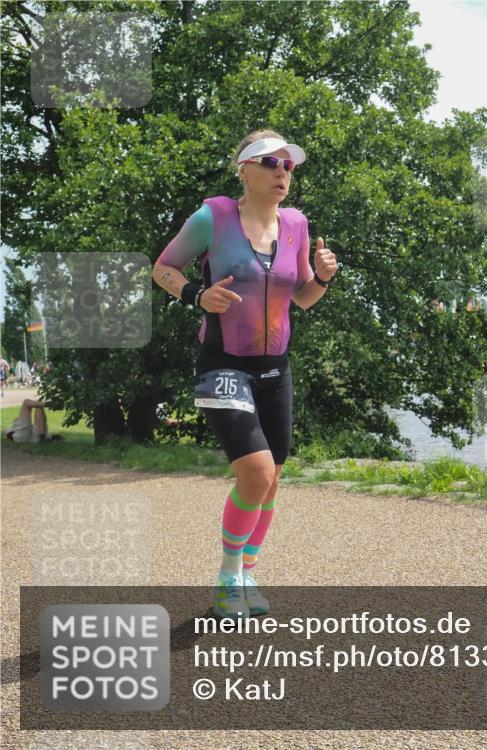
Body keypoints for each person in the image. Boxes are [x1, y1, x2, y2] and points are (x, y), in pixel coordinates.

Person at [153, 130, 339, 619]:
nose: (282, 172)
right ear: (244, 169)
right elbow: (163, 268)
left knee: (273, 477)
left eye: (289, 165)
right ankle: (227, 577)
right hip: (224, 364)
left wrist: (321, 277)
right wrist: (197, 294)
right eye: (271, 162)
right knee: (254, 472)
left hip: (276, 368)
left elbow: (300, 296)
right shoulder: (212, 218)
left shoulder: (297, 225)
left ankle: (247, 573)